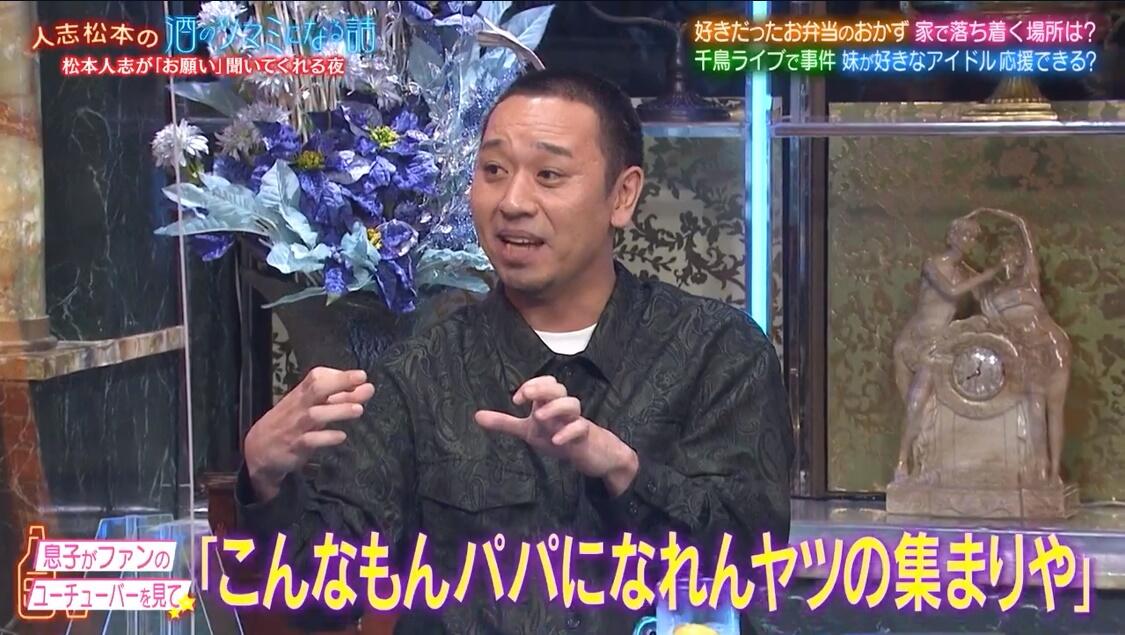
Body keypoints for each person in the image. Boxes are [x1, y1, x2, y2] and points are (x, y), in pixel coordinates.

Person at [236, 69, 793, 634]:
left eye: (549, 174)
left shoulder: (716, 352)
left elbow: (752, 564)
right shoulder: (419, 372)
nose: (513, 201)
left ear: (622, 195)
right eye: (494, 171)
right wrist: (266, 480)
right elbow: (324, 600)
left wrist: (621, 469)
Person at [892, 216, 1000, 478]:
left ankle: (913, 461)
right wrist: (987, 274)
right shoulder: (932, 264)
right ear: (951, 236)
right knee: (914, 402)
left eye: (972, 237)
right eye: (964, 235)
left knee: (920, 402)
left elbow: (984, 297)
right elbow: (951, 291)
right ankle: (905, 461)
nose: (968, 241)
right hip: (914, 340)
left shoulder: (967, 272)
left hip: (938, 341)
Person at [973, 209, 1071, 482]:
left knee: (1055, 409)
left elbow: (1023, 226)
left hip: (1051, 345)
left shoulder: (1029, 278)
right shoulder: (991, 295)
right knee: (1035, 410)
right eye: (1004, 253)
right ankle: (1041, 468)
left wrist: (990, 212)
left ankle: (1055, 471)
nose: (1009, 257)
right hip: (1025, 352)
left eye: (1013, 253)